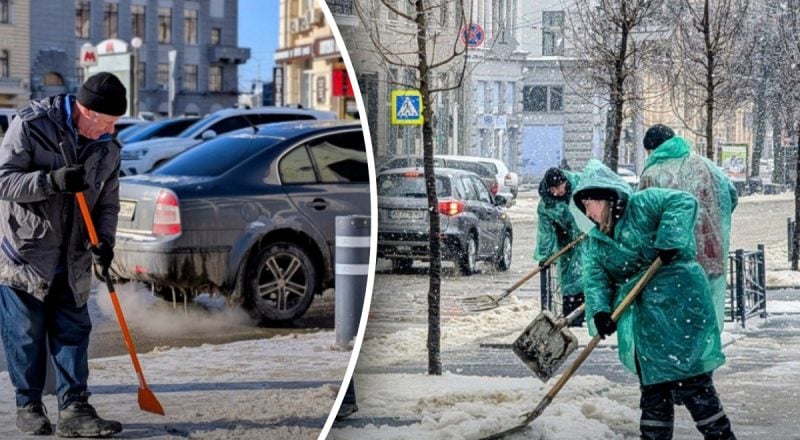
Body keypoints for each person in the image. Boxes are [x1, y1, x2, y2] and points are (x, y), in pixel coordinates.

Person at [0, 72, 126, 437]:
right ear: (85, 111)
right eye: (106, 122)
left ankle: (75, 409)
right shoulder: (31, 125)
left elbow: (108, 203)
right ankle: (28, 406)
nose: (110, 131)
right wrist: (50, 181)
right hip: (26, 252)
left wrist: (104, 241)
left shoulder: (107, 147)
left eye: (114, 124)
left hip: (73, 257)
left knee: (73, 331)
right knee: (25, 334)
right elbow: (4, 180)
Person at [573, 160, 735, 440]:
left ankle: (720, 437)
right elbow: (596, 279)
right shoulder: (598, 241)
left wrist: (670, 238)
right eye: (584, 207)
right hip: (648, 320)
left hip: (680, 303)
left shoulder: (643, 204)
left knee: (692, 381)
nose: (588, 213)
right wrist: (600, 312)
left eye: (590, 205)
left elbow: (683, 201)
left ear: (606, 199)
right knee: (654, 386)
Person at [638, 124, 738, 332]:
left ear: (653, 148)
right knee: (704, 313)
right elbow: (730, 195)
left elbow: (642, 218)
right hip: (709, 252)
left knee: (676, 319)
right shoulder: (706, 165)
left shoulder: (652, 174)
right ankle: (704, 348)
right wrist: (711, 223)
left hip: (673, 257)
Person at [535, 167, 585, 326]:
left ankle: (586, 315)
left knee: (588, 275)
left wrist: (588, 229)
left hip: (587, 237)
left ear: (565, 182)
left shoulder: (580, 186)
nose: (556, 192)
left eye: (559, 187)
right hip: (567, 242)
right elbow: (546, 233)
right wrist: (545, 256)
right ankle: (572, 318)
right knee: (570, 279)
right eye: (552, 189)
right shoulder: (546, 205)